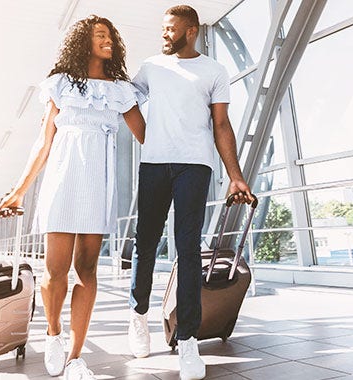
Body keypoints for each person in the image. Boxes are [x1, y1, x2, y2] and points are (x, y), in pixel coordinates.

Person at [0, 15, 145, 380]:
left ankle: (76, 357)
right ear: (83, 42)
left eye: (110, 36)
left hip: (98, 182)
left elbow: (148, 137)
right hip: (63, 179)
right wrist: (18, 191)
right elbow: (43, 143)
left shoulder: (121, 90)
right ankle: (53, 333)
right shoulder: (61, 84)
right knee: (54, 272)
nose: (108, 41)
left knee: (87, 269)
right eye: (100, 35)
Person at [126, 4, 255, 380]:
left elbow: (221, 124)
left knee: (187, 248)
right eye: (164, 28)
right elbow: (126, 102)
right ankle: (138, 316)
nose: (164, 34)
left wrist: (235, 175)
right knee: (146, 242)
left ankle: (187, 339)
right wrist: (149, 140)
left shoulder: (214, 71)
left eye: (171, 28)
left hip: (195, 166)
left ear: (191, 31)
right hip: (154, 165)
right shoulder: (151, 66)